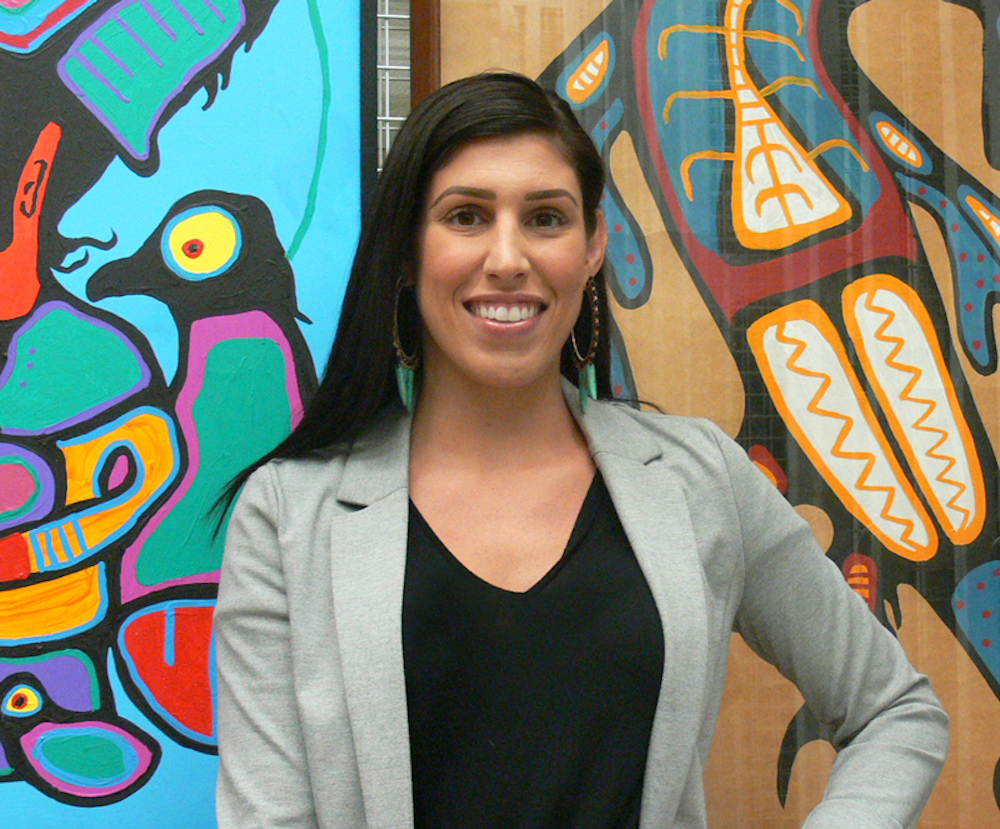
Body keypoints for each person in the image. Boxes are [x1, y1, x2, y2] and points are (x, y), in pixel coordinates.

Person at [214, 72, 949, 829]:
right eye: (465, 216)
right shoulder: (288, 515)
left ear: (594, 245)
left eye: (545, 218)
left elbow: (894, 709)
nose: (507, 257)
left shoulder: (701, 479)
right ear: (406, 250)